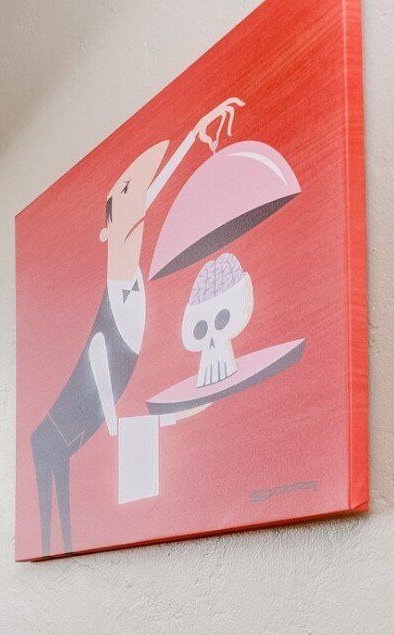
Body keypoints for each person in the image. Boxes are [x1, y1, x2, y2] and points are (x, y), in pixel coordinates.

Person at [29, 97, 242, 555]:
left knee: (58, 507)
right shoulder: (117, 279)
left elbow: (153, 191)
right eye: (125, 198)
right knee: (50, 496)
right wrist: (110, 420)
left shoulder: (134, 279)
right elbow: (98, 356)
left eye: (136, 197)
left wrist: (195, 130)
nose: (138, 204)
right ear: (106, 231)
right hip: (69, 419)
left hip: (89, 406)